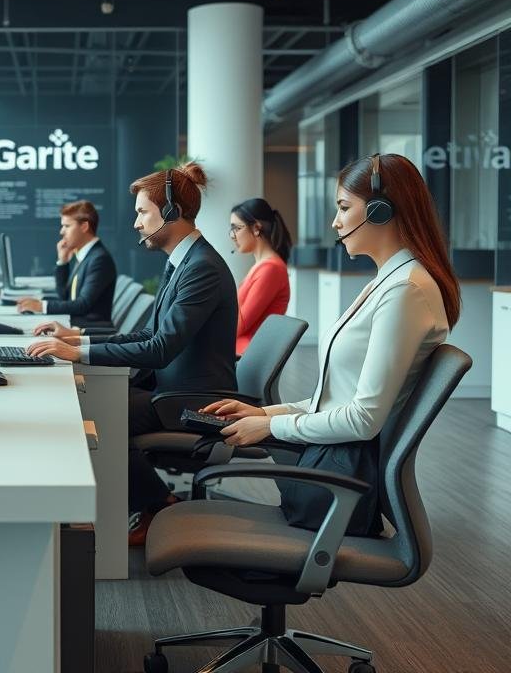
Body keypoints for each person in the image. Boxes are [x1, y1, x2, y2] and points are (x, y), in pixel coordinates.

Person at [202, 153, 459, 536]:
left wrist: (274, 427)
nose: (335, 222)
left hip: (342, 477)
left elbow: (362, 418)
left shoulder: (406, 289)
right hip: (332, 463)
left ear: (380, 212)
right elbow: (337, 398)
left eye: (343, 207)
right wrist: (267, 414)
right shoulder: (388, 282)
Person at [27, 163, 238, 545]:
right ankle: (146, 502)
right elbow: (149, 333)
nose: (136, 223)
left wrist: (79, 355)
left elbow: (160, 349)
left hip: (195, 404)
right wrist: (80, 343)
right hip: (172, 389)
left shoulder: (201, 268)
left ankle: (157, 503)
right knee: (93, 403)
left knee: (96, 413)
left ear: (171, 213)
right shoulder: (184, 263)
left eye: (142, 213)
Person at [15, 200, 117, 327]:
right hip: (74, 324)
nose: (62, 232)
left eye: (67, 226)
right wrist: (63, 262)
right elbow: (64, 296)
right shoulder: (85, 255)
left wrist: (41, 306)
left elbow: (82, 304)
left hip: (88, 330)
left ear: (84, 226)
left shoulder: (99, 259)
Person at [229, 198, 292, 355]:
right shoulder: (263, 267)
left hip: (245, 357)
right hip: (239, 353)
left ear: (256, 228)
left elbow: (239, 325)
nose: (232, 236)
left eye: (236, 228)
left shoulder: (271, 269)